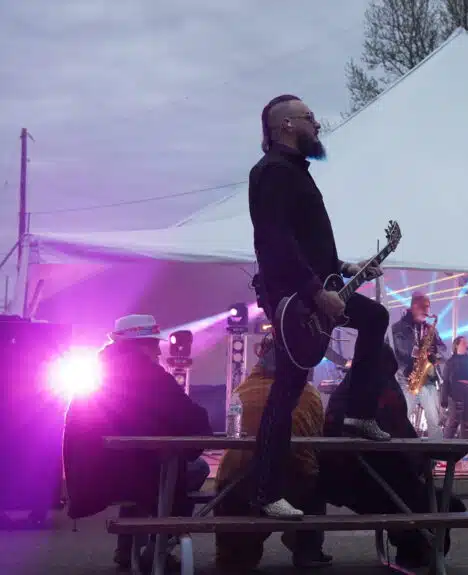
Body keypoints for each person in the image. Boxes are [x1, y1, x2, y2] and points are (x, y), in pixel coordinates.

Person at [249, 94, 391, 518]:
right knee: (287, 390)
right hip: (297, 299)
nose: (317, 123)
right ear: (287, 126)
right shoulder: (273, 172)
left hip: (314, 290)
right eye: (309, 117)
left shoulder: (294, 172)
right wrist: (316, 291)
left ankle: (358, 413)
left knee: (374, 317)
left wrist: (345, 267)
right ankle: (265, 491)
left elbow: (306, 240)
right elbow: (277, 242)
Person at [62, 314, 213, 571]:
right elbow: (193, 419)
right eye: (154, 344)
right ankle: (159, 548)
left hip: (95, 472)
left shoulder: (98, 372)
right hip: (128, 472)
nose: (158, 350)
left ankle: (126, 548)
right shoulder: (150, 375)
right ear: (141, 345)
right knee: (193, 468)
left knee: (140, 464)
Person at [320, 343, 467, 569]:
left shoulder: (343, 393)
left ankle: (412, 547)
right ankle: (418, 551)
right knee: (445, 502)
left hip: (346, 486)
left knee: (424, 497)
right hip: (382, 489)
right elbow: (404, 445)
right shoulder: (385, 393)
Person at [214, 338, 331, 570]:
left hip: (238, 483)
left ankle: (233, 556)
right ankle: (307, 550)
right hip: (294, 480)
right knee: (316, 477)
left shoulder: (242, 391)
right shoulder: (309, 395)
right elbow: (317, 441)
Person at [392, 292, 446, 439]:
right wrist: (405, 370)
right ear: (414, 306)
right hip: (406, 380)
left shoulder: (430, 329)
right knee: (401, 420)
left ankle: (437, 455)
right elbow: (391, 353)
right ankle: (399, 454)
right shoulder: (397, 328)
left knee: (434, 422)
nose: (427, 311)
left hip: (427, 380)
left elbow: (444, 350)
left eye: (429, 307)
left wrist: (434, 355)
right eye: (424, 307)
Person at [441, 336, 468, 439]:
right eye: (464, 343)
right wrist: (443, 398)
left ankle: (464, 450)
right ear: (457, 345)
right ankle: (445, 448)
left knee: (466, 423)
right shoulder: (451, 361)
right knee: (453, 422)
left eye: (467, 343)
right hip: (455, 393)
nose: (467, 345)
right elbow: (445, 381)